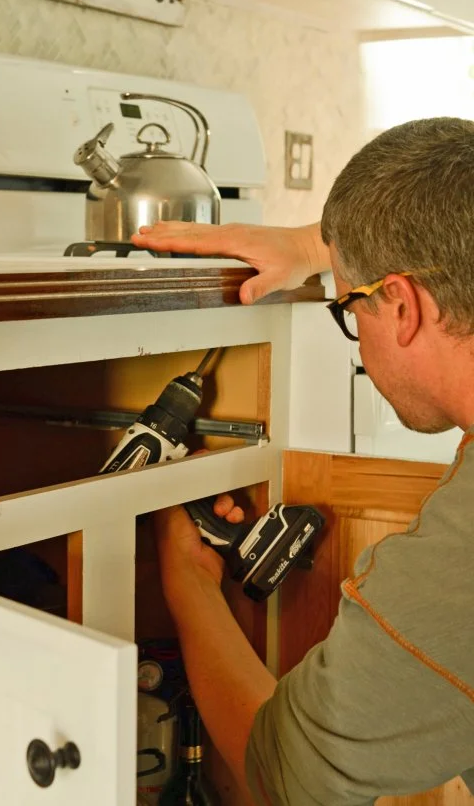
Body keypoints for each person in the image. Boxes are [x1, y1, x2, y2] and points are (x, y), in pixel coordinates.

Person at [131, 117, 474, 805]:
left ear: (401, 305)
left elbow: (284, 774)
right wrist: (316, 246)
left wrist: (189, 585)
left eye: (350, 306)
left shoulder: (458, 567)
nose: (356, 335)